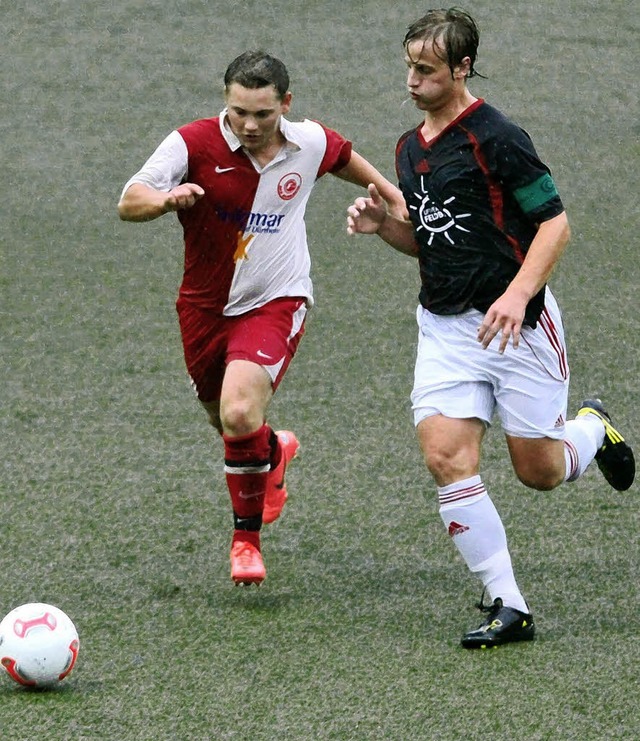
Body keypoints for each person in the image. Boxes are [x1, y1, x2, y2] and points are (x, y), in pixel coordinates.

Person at [347, 8, 635, 648]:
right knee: (446, 457)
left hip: (519, 329)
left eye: (427, 70)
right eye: (410, 67)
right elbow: (434, 241)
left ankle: (592, 429)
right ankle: (510, 605)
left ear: (462, 67)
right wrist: (385, 228)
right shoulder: (408, 148)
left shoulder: (498, 137)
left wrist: (516, 294)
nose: (413, 80)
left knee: (540, 471)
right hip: (446, 329)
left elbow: (555, 225)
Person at [118, 50, 405, 587]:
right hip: (203, 307)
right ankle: (274, 451)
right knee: (227, 423)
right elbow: (128, 201)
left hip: (277, 298)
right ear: (224, 102)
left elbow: (343, 158)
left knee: (240, 411)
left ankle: (245, 542)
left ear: (285, 106)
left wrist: (390, 195)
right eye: (237, 112)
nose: (249, 126)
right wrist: (163, 199)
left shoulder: (309, 142)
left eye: (262, 115)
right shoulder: (191, 142)